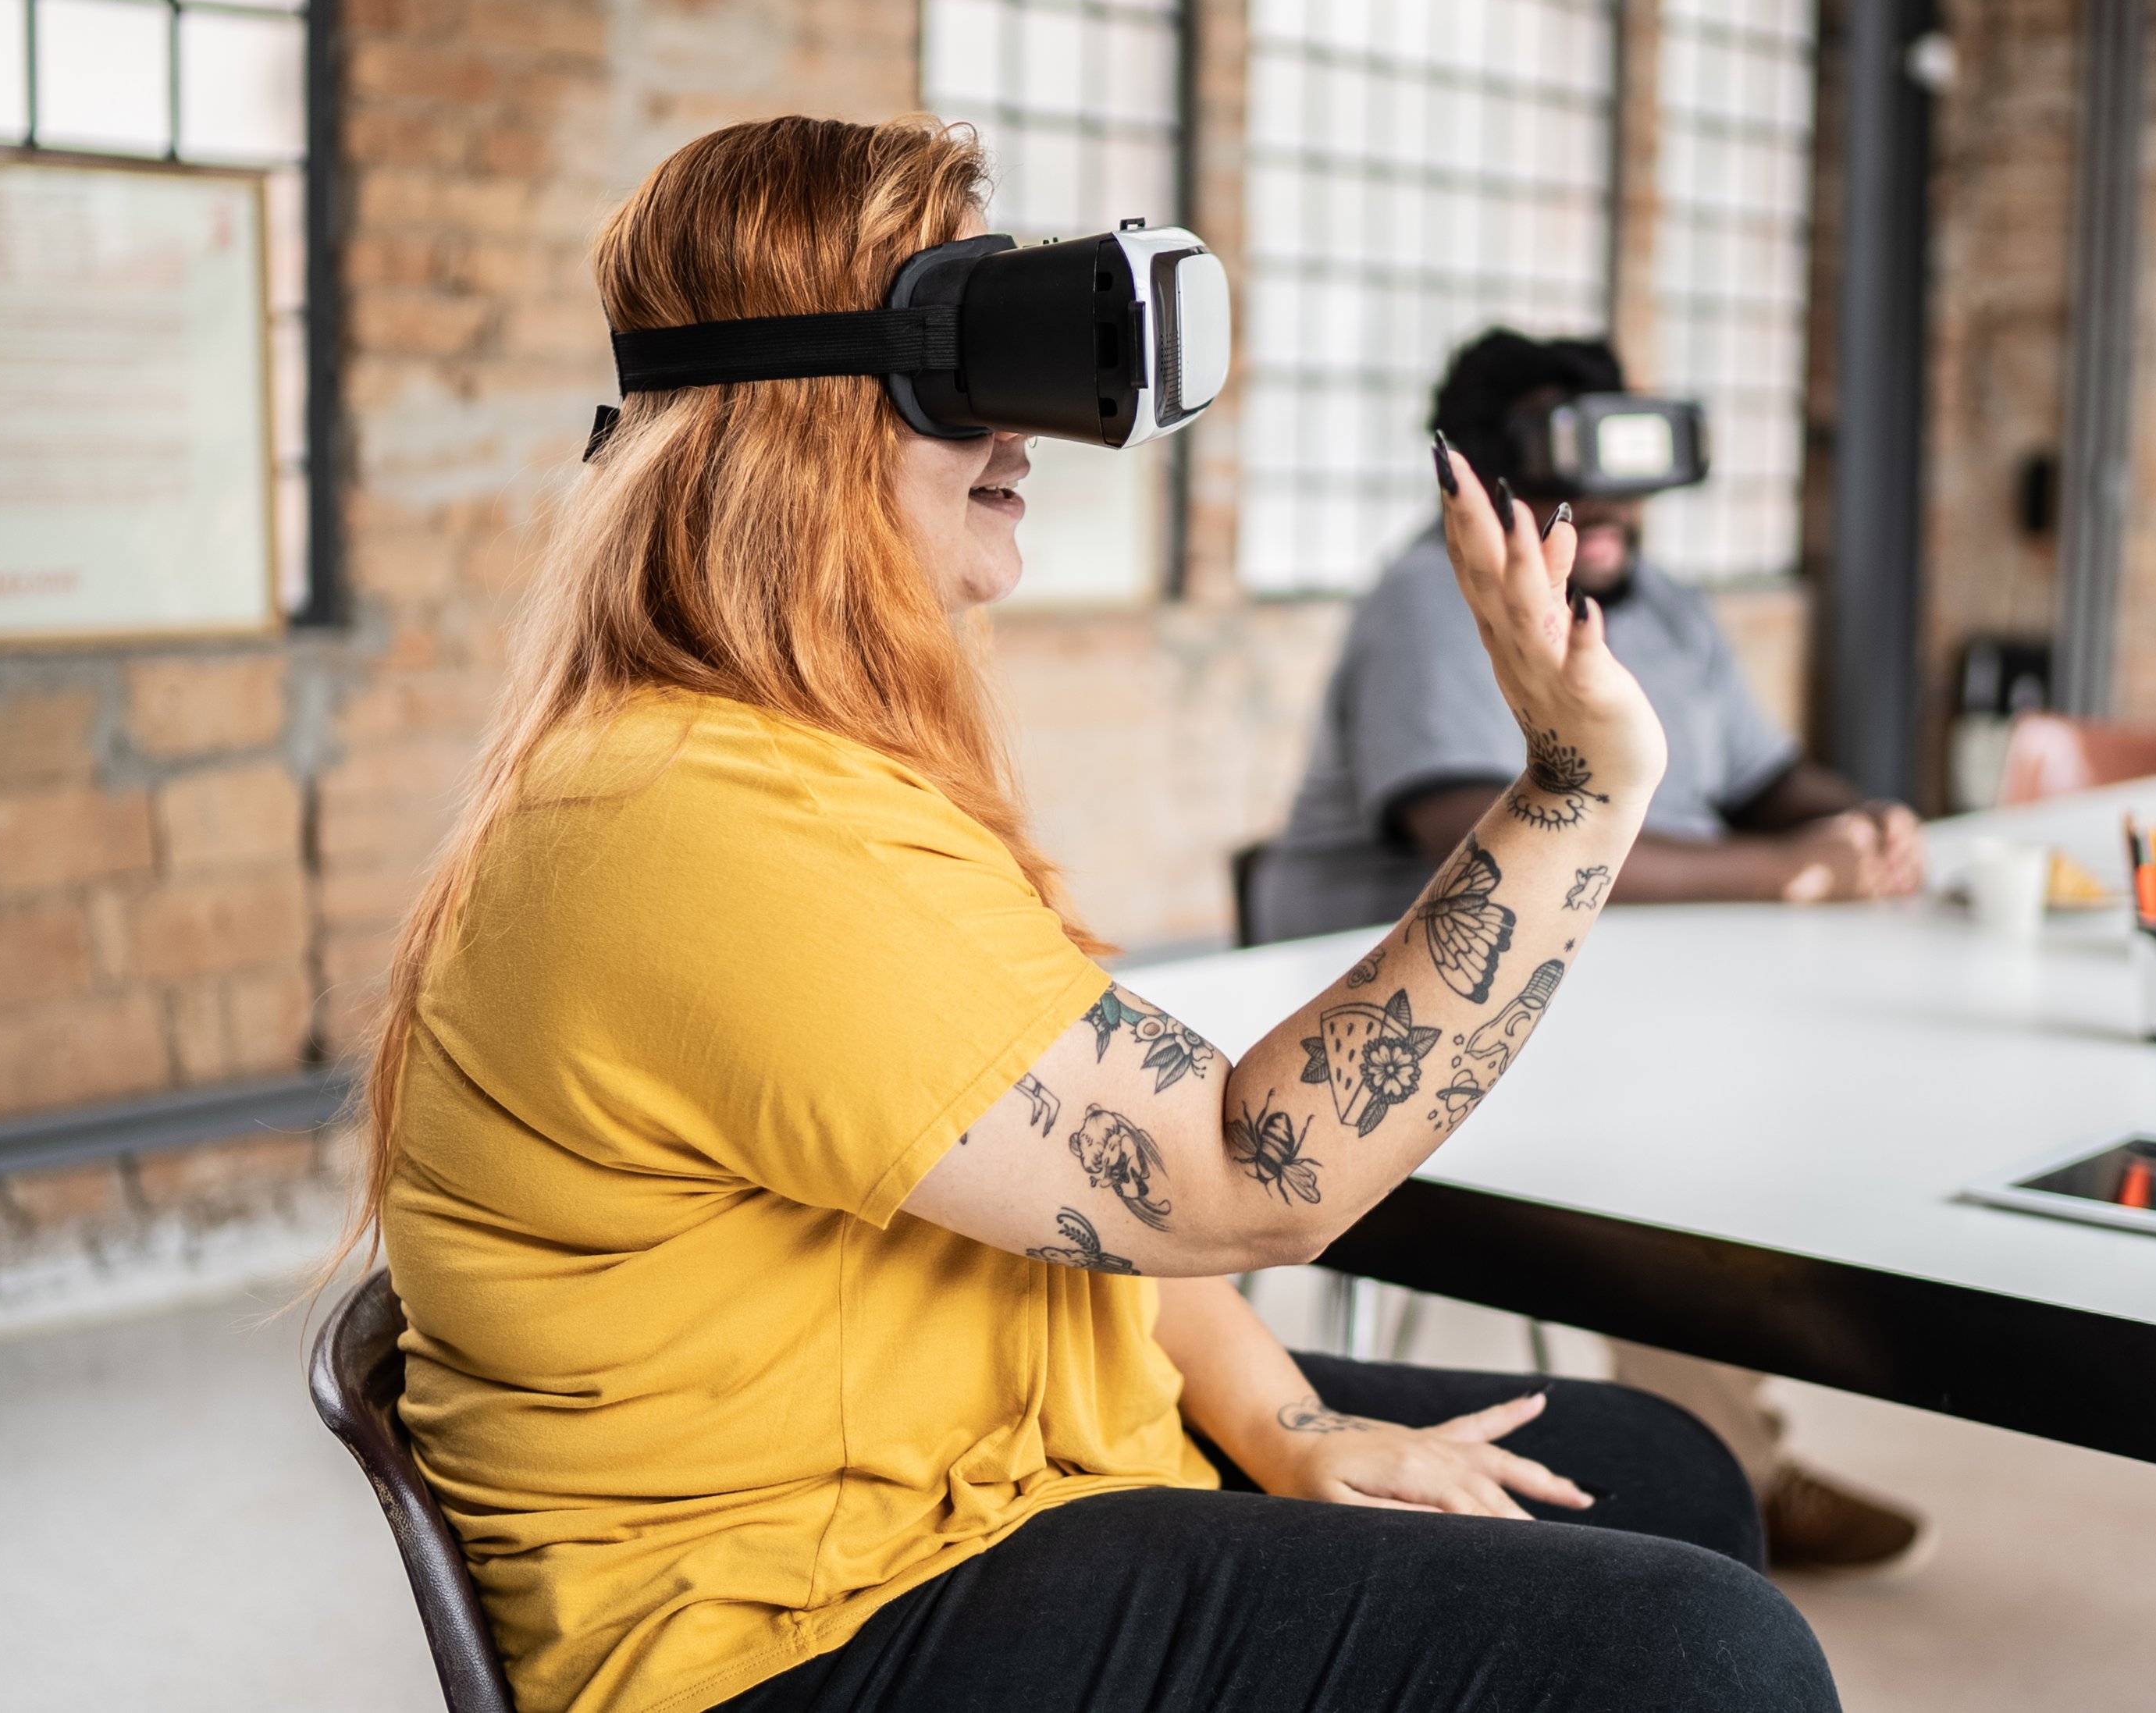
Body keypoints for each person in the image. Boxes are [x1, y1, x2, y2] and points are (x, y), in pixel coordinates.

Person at [352, 116, 1839, 1713]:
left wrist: (1278, 1415)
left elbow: (1087, 1174)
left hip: (989, 1471)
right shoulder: (692, 827)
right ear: (789, 425)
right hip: (796, 1631)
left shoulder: (802, 763)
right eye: (964, 374)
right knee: (1697, 1655)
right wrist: (1576, 785)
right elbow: (1234, 1179)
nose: (1024, 434)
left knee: (1659, 1467)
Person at [1251, 328, 1935, 1578]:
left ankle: (1738, 1456)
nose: (1606, 499)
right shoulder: (1431, 598)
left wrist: (1850, 822)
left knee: (1781, 1092)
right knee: (1671, 1143)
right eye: (1568, 462)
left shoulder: (1659, 605)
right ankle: (1737, 1475)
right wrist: (1787, 873)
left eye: (1624, 456)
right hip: (1399, 1017)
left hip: (1608, 987)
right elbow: (1479, 835)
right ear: (1483, 476)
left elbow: (1767, 774)